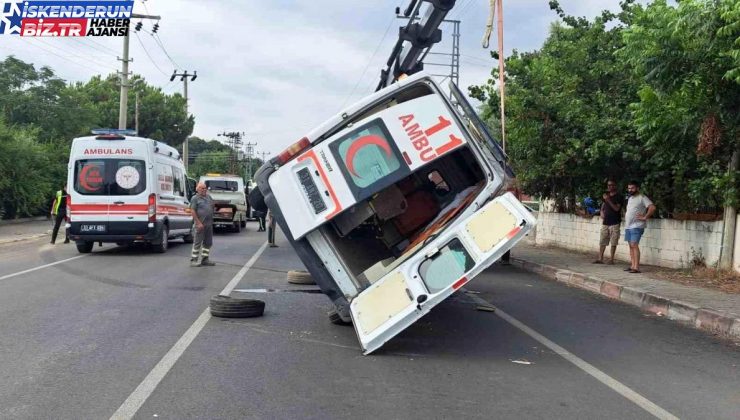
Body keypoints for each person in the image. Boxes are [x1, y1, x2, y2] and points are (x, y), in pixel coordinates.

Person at [624, 180, 656, 273]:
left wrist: (645, 217)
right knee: (631, 245)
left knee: (634, 244)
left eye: (632, 188)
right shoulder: (630, 198)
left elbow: (652, 207)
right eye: (629, 188)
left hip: (637, 225)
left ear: (637, 188)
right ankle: (632, 265)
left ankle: (636, 267)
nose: (630, 190)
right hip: (628, 226)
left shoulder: (642, 197)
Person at [593, 180, 624, 265]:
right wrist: (601, 212)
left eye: (612, 185)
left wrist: (608, 200)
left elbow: (617, 209)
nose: (610, 187)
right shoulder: (606, 196)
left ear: (615, 186)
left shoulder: (619, 197)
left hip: (615, 222)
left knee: (613, 241)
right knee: (602, 240)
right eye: (608, 185)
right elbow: (603, 206)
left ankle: (611, 259)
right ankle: (600, 258)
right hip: (606, 222)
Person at [190, 182, 215, 267]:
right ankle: (193, 260)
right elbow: (192, 211)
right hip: (200, 224)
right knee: (197, 242)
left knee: (208, 242)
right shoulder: (195, 198)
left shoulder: (209, 197)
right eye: (202, 188)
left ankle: (205, 259)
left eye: (205, 188)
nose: (204, 190)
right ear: (197, 189)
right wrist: (198, 222)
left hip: (209, 224)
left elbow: (212, 206)